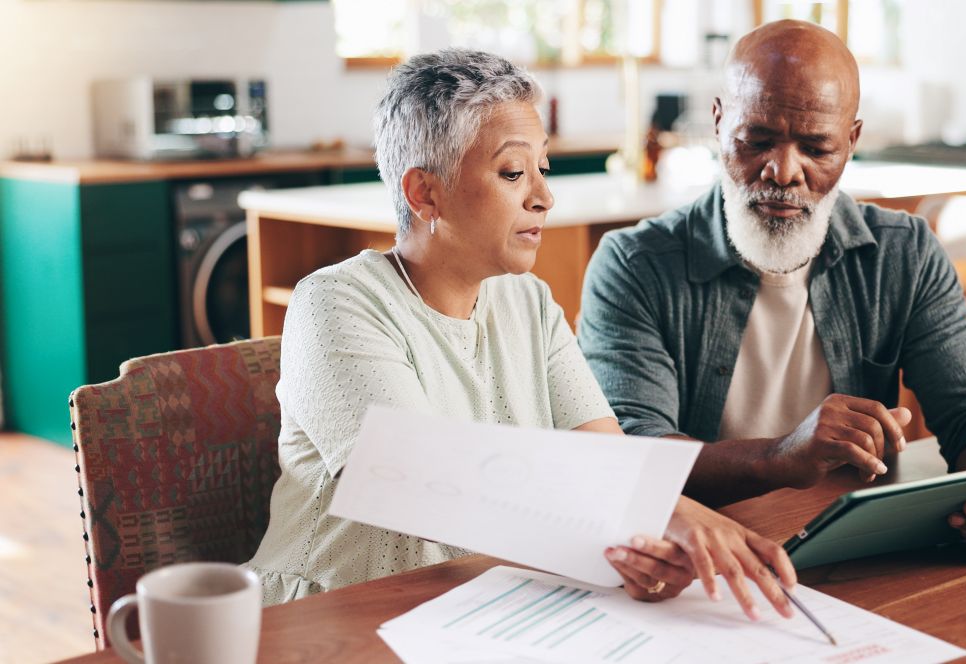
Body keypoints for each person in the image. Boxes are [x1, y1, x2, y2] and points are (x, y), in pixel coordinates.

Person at [244, 49, 796, 620]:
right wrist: (657, 506)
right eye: (513, 173)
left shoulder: (528, 301)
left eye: (543, 168)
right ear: (424, 193)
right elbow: (412, 476)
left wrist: (633, 544)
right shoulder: (333, 303)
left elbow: (602, 459)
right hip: (326, 617)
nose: (543, 196)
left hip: (479, 606)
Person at [578, 20, 966, 558]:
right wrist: (781, 456)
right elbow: (632, 457)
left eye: (817, 148)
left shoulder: (903, 253)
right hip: (698, 559)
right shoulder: (634, 265)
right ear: (718, 122)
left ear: (851, 141)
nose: (783, 172)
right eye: (756, 141)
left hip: (857, 553)